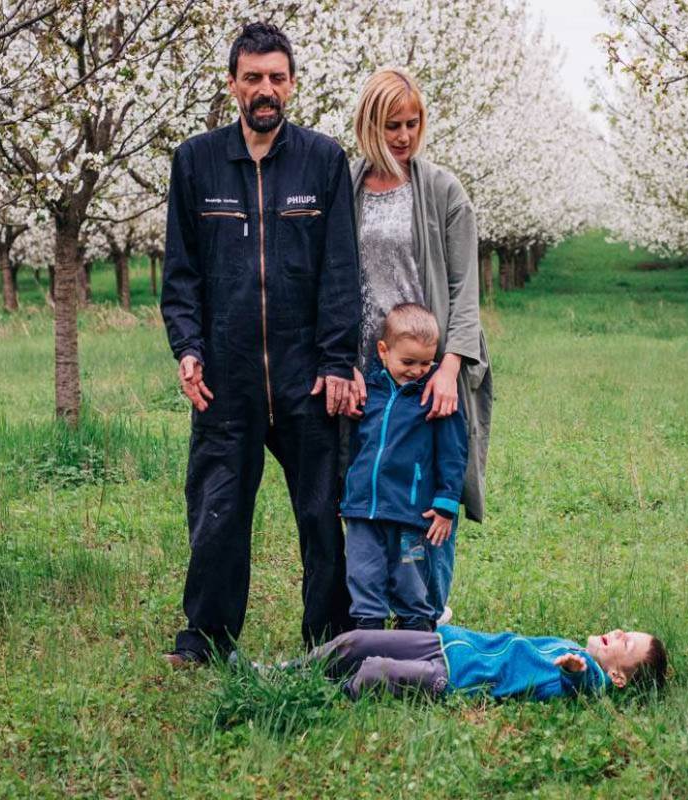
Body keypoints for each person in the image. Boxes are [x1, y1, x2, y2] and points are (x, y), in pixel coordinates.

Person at [160, 22, 362, 666]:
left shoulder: (323, 160)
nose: (265, 89)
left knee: (322, 514)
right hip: (227, 375)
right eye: (253, 78)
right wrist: (187, 347)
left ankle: (330, 637)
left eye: (277, 77)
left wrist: (337, 361)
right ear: (233, 86)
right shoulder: (195, 162)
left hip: (306, 376)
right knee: (218, 513)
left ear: (293, 84)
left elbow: (339, 271)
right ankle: (206, 637)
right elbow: (181, 272)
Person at [348, 67, 493, 625]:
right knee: (375, 483)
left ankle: (429, 613)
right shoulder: (350, 184)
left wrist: (449, 367)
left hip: (432, 363)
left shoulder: (441, 190)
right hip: (374, 367)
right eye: (391, 125)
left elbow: (464, 285)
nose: (404, 136)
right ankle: (368, 609)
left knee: (433, 482)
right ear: (368, 125)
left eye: (412, 123)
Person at [340, 303, 468, 632]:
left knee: (411, 581)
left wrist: (446, 502)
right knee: (363, 574)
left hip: (411, 513)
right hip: (363, 511)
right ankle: (368, 639)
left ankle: (416, 638)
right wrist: (350, 490)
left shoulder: (434, 396)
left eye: (426, 362)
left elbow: (453, 453)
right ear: (383, 351)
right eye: (408, 362)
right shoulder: (370, 392)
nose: (417, 370)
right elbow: (358, 446)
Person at [289, 625, 668, 701]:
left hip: (454, 678)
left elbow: (580, 684)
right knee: (355, 641)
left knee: (375, 671)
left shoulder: (592, 680)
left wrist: (575, 671)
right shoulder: (571, 643)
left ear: (617, 677)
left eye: (626, 641)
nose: (618, 632)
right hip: (445, 644)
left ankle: (320, 695)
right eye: (624, 630)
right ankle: (281, 674)